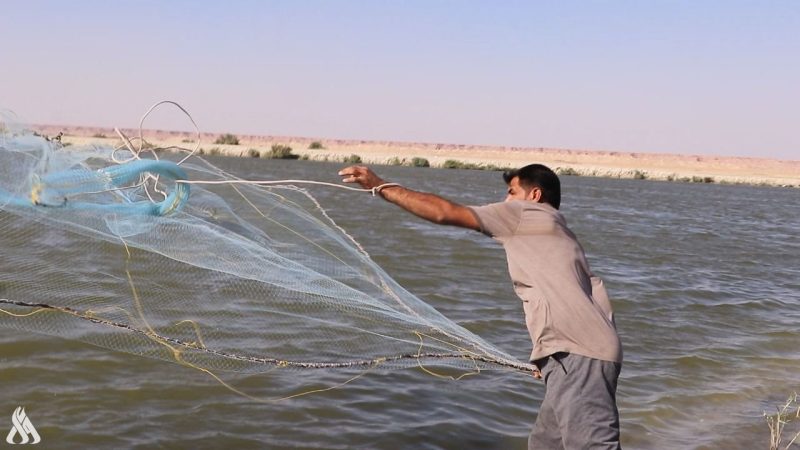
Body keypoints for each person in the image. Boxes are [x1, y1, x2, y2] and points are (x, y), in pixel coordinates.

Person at [339, 163, 623, 449]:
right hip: (577, 353)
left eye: (511, 192)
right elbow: (593, 296)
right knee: (545, 444)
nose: (505, 201)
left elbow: (443, 212)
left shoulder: (524, 214)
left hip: (577, 354)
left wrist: (379, 185)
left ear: (534, 195)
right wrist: (548, 352)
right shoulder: (560, 231)